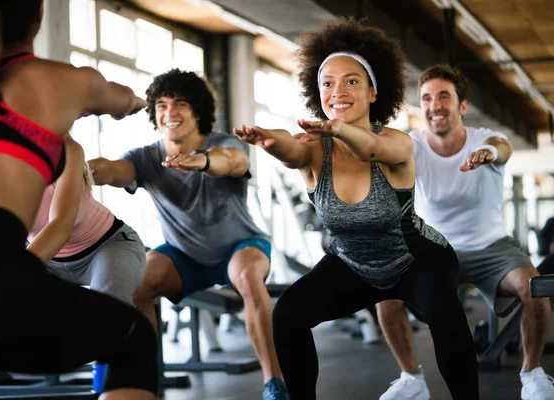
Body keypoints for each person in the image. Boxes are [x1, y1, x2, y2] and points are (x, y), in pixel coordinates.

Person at [234, 17, 480, 399]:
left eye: (351, 81)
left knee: (446, 316)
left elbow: (370, 149)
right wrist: (268, 140)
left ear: (373, 92)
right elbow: (291, 147)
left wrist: (339, 130)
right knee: (288, 315)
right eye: (327, 83)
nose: (338, 91)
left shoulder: (397, 142)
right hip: (352, 264)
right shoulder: (315, 149)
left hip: (417, 259)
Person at [0, 1, 158, 399]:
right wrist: (134, 102)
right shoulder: (57, 80)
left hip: (92, 248)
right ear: (37, 17)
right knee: (133, 337)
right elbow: (122, 100)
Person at [87, 68, 289, 399]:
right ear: (154, 112)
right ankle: (145, 380)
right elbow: (114, 170)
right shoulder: (146, 157)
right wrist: (83, 169)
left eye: (180, 103)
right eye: (163, 105)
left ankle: (274, 383)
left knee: (249, 277)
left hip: (240, 246)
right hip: (185, 256)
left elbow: (233, 161)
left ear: (197, 110)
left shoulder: (221, 142)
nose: (170, 112)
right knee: (136, 283)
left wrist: (204, 162)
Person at [376, 64, 554, 400]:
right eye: (427, 98)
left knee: (535, 290)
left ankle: (532, 373)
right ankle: (412, 378)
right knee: (386, 295)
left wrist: (490, 154)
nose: (434, 105)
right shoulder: (412, 145)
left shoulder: (482, 140)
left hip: (492, 246)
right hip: (433, 248)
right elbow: (380, 146)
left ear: (461, 106)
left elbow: (504, 146)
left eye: (444, 96)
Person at [0, 135, 147, 399]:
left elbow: (60, 227)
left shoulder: (66, 156)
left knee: (110, 300)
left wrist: (10, 276)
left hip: (108, 245)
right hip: (47, 259)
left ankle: (110, 389)